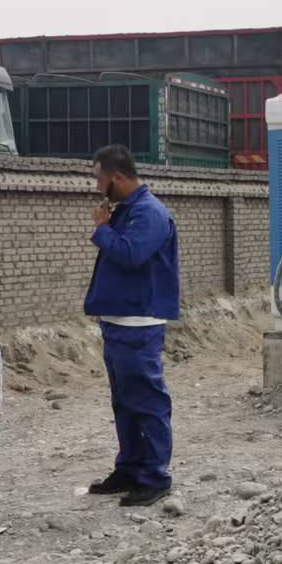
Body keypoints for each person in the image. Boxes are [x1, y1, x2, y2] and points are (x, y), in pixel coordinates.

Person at [83, 145, 180, 506]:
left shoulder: (149, 213)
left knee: (147, 401)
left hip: (140, 323)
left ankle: (155, 477)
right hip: (119, 321)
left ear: (117, 177)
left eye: (99, 179)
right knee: (124, 402)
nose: (97, 187)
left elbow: (130, 254)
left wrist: (102, 228)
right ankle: (129, 469)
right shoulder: (128, 210)